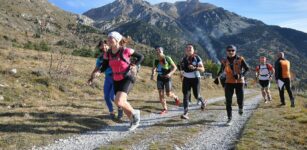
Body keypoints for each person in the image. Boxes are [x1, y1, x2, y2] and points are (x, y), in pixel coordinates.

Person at [100, 31, 144, 131]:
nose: (109, 40)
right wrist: (98, 72)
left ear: (117, 40)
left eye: (112, 38)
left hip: (127, 77)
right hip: (116, 79)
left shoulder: (125, 50)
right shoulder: (108, 54)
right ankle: (133, 120)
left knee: (119, 101)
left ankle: (135, 114)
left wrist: (135, 65)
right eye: (108, 38)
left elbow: (141, 57)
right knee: (120, 102)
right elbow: (105, 65)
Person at [88, 40, 123, 120]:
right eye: (102, 46)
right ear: (100, 48)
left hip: (116, 77)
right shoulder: (100, 58)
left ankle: (120, 108)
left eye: (105, 45)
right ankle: (112, 112)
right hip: (108, 78)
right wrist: (91, 78)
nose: (104, 47)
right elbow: (96, 69)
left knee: (112, 97)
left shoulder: (114, 54)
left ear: (109, 45)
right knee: (106, 96)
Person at [220, 45, 249, 126]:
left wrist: (241, 75)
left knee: (240, 98)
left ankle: (240, 107)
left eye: (232, 50)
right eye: (229, 50)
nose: (231, 52)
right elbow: (221, 70)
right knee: (228, 101)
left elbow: (247, 69)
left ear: (235, 51)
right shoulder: (224, 61)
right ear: (226, 51)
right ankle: (229, 118)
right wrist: (220, 77)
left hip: (239, 82)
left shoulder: (240, 59)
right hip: (228, 82)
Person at [179, 44, 207, 119]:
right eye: (187, 48)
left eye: (190, 48)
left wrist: (195, 67)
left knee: (196, 95)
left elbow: (203, 69)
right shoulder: (182, 59)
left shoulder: (197, 58)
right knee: (185, 95)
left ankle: (203, 101)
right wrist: (181, 76)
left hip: (195, 78)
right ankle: (185, 113)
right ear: (185, 50)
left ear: (193, 50)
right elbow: (181, 70)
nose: (189, 49)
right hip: (186, 79)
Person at [150, 46, 181, 115]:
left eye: (159, 50)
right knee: (161, 95)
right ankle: (165, 109)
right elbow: (154, 68)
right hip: (160, 78)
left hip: (167, 78)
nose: (158, 52)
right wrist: (152, 74)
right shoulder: (156, 60)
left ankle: (176, 97)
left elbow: (175, 67)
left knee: (168, 94)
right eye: (157, 51)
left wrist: (170, 74)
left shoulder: (167, 58)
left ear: (162, 51)